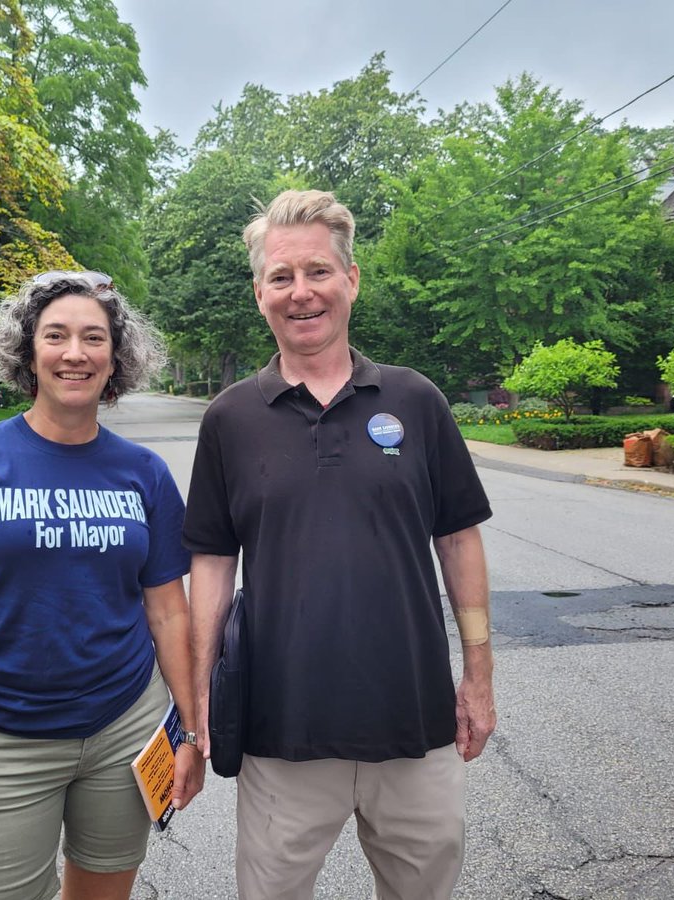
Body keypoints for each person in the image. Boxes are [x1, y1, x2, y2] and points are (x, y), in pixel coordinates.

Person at [184, 190, 496, 900]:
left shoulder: (416, 401)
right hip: (280, 732)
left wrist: (478, 677)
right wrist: (198, 693)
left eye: (319, 272)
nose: (302, 293)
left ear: (351, 280)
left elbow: (458, 539)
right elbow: (210, 561)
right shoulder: (229, 419)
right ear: (260, 291)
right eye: (282, 277)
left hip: (414, 725)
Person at [0, 271, 204, 900]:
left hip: (125, 727)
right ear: (28, 351)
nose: (75, 353)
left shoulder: (143, 473)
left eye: (94, 338)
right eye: (55, 335)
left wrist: (191, 734)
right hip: (5, 735)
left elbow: (169, 613)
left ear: (116, 358)